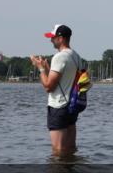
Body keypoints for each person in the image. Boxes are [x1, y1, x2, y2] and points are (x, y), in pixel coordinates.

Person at [30, 24, 83, 155]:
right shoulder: (76, 56)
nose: (51, 40)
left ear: (61, 38)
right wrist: (48, 68)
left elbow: (49, 87)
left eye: (53, 37)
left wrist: (40, 68)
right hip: (71, 106)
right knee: (70, 149)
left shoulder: (59, 57)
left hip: (58, 107)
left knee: (58, 151)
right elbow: (63, 80)